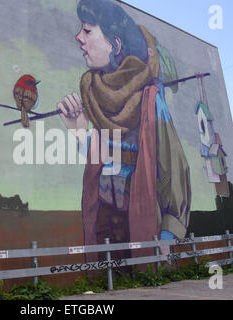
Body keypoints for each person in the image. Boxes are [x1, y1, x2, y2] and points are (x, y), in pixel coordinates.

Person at [57, 0, 191, 262]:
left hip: (140, 220)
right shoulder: (95, 96)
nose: (78, 38)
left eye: (87, 31)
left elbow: (174, 167)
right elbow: (106, 159)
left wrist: (169, 233)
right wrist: (79, 131)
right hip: (104, 219)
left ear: (115, 45)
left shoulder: (150, 99)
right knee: (105, 282)